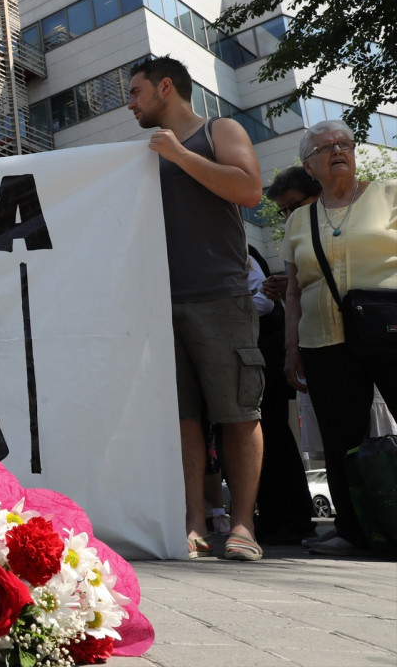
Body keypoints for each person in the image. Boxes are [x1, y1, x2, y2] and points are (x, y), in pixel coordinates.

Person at [129, 55, 266, 561]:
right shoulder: (145, 153)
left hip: (220, 295)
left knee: (237, 412)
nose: (131, 103)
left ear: (166, 88)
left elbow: (249, 189)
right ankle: (193, 525)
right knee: (183, 420)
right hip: (160, 303)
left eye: (137, 92)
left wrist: (182, 157)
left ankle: (244, 526)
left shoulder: (218, 129)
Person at [281, 119, 397, 556]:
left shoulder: (388, 194)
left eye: (344, 143)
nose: (338, 151)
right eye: (325, 147)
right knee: (340, 439)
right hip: (323, 340)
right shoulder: (298, 220)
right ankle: (352, 529)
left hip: (389, 329)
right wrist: (291, 346)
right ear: (309, 165)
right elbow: (293, 289)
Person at [248, 245, 317, 546]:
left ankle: (293, 519)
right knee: (266, 440)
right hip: (259, 353)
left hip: (265, 354)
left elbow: (264, 303)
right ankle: (275, 518)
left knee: (273, 438)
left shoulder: (241, 250)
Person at [261, 166, 322, 303]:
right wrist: (283, 289)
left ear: (320, 194)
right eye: (283, 210)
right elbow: (294, 294)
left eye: (294, 205)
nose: (290, 215)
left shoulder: (345, 226)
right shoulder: (293, 239)